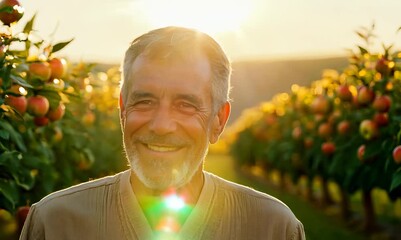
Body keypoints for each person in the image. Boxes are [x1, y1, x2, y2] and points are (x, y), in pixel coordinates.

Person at [19, 26, 305, 240]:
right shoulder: (55, 223)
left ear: (219, 120)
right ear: (122, 110)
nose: (161, 125)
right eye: (144, 101)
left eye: (186, 104)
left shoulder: (272, 228)